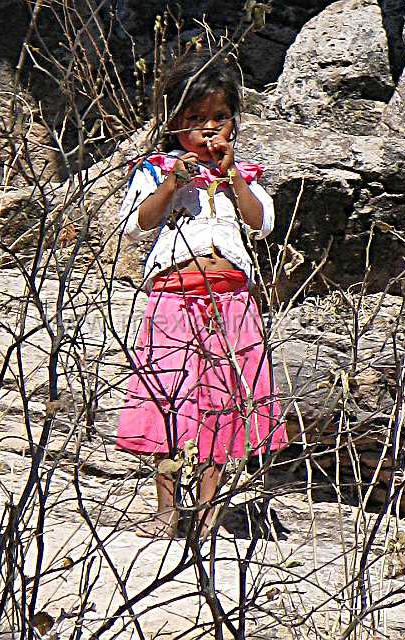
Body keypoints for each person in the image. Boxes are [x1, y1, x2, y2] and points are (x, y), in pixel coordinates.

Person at [116, 49, 287, 539]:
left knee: (221, 404)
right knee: (169, 398)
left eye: (219, 118)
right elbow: (136, 224)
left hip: (231, 302)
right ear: (173, 125)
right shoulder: (155, 171)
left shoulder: (245, 176)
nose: (208, 130)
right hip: (173, 299)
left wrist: (232, 178)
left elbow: (263, 224)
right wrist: (173, 183)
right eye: (194, 120)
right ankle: (167, 510)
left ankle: (209, 513)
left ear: (233, 122)